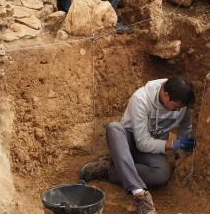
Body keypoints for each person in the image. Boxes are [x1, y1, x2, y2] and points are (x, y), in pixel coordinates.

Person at [80, 77, 195, 214]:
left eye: (180, 108)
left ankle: (110, 169)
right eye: (176, 107)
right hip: (129, 142)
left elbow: (184, 127)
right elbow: (142, 143)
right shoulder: (141, 99)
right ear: (166, 94)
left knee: (161, 173)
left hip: (152, 147)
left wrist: (181, 153)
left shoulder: (182, 101)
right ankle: (140, 194)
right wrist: (175, 144)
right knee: (114, 128)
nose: (177, 111)